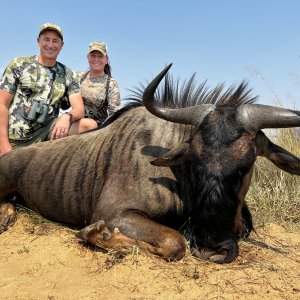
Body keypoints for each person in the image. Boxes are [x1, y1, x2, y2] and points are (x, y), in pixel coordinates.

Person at [0, 22, 97, 156]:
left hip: (47, 133)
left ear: (61, 46)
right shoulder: (19, 64)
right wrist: (3, 144)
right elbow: (2, 104)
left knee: (89, 125)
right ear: (38, 41)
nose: (50, 45)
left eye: (55, 41)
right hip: (14, 135)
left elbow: (79, 109)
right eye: (46, 39)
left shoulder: (69, 74)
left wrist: (66, 117)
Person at [77, 41, 120, 126]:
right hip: (77, 124)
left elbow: (114, 115)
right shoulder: (78, 77)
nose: (96, 59)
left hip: (98, 131)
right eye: (93, 56)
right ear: (88, 57)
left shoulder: (111, 84)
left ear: (106, 60)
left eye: (100, 56)